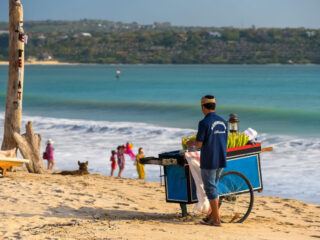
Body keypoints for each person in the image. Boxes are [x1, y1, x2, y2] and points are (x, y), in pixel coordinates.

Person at [187, 95, 228, 227]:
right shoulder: (223, 122)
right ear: (214, 107)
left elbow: (199, 144)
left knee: (210, 188)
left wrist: (190, 142)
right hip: (221, 157)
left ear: (203, 107)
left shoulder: (204, 122)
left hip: (209, 159)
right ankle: (212, 216)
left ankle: (216, 219)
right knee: (213, 186)